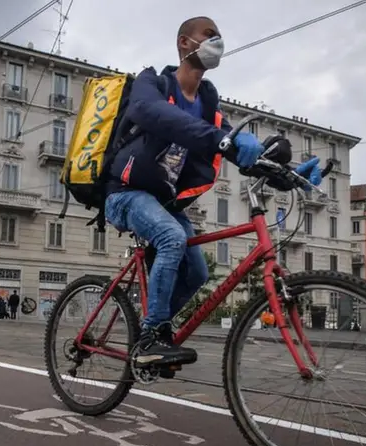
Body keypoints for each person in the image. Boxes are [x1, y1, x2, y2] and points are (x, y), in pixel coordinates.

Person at [104, 16, 323, 370]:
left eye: (219, 37)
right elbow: (148, 111)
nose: (216, 41)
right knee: (173, 237)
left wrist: (292, 176)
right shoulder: (153, 82)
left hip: (164, 202)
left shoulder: (209, 108)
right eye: (208, 35)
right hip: (125, 193)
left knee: (198, 274)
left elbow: (241, 153)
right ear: (184, 43)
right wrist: (220, 138)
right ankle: (150, 339)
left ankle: (152, 328)